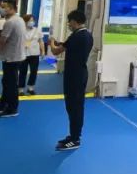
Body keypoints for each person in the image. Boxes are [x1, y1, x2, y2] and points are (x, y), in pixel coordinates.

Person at [49, 10, 93, 151]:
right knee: (74, 106)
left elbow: (56, 51)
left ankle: (75, 139)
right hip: (79, 74)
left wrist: (51, 42)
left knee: (74, 107)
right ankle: (73, 135)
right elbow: (70, 47)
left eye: (69, 21)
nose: (68, 24)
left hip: (75, 76)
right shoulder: (87, 35)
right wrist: (61, 43)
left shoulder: (76, 36)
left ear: (74, 21)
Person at [0, 1, 26, 118]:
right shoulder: (19, 20)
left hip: (11, 57)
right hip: (15, 56)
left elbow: (2, 41)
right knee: (7, 82)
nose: (1, 9)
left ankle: (12, 108)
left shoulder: (10, 22)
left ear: (12, 9)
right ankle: (2, 105)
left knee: (10, 84)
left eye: (4, 7)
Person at [17, 15, 44, 96]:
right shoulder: (20, 30)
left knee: (34, 71)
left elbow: (41, 41)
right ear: (25, 22)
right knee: (22, 71)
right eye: (29, 20)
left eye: (33, 20)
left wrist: (43, 51)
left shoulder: (37, 30)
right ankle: (20, 89)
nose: (31, 22)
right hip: (23, 54)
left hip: (35, 54)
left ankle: (30, 88)